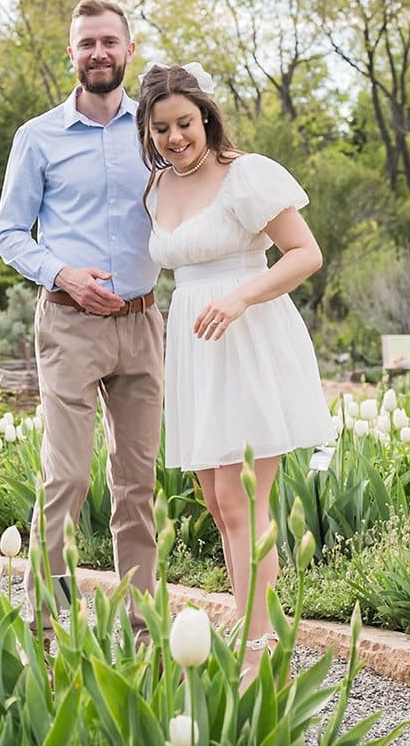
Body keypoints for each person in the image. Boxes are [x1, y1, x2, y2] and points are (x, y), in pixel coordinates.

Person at [136, 61, 336, 682]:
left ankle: (261, 642)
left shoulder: (245, 175)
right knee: (215, 502)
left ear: (205, 117)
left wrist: (244, 295)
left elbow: (306, 253)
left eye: (185, 123)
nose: (176, 138)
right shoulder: (155, 189)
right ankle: (251, 617)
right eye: (162, 127)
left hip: (248, 335)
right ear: (148, 130)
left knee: (240, 496)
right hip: (196, 347)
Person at [0, 0, 163, 630]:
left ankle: (143, 632)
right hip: (68, 323)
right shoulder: (37, 137)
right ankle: (43, 626)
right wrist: (63, 274)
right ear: (72, 53)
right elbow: (9, 234)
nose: (99, 53)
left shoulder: (156, 130)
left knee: (136, 489)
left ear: (129, 50)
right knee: (65, 479)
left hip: (145, 326)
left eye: (109, 42)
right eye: (87, 43)